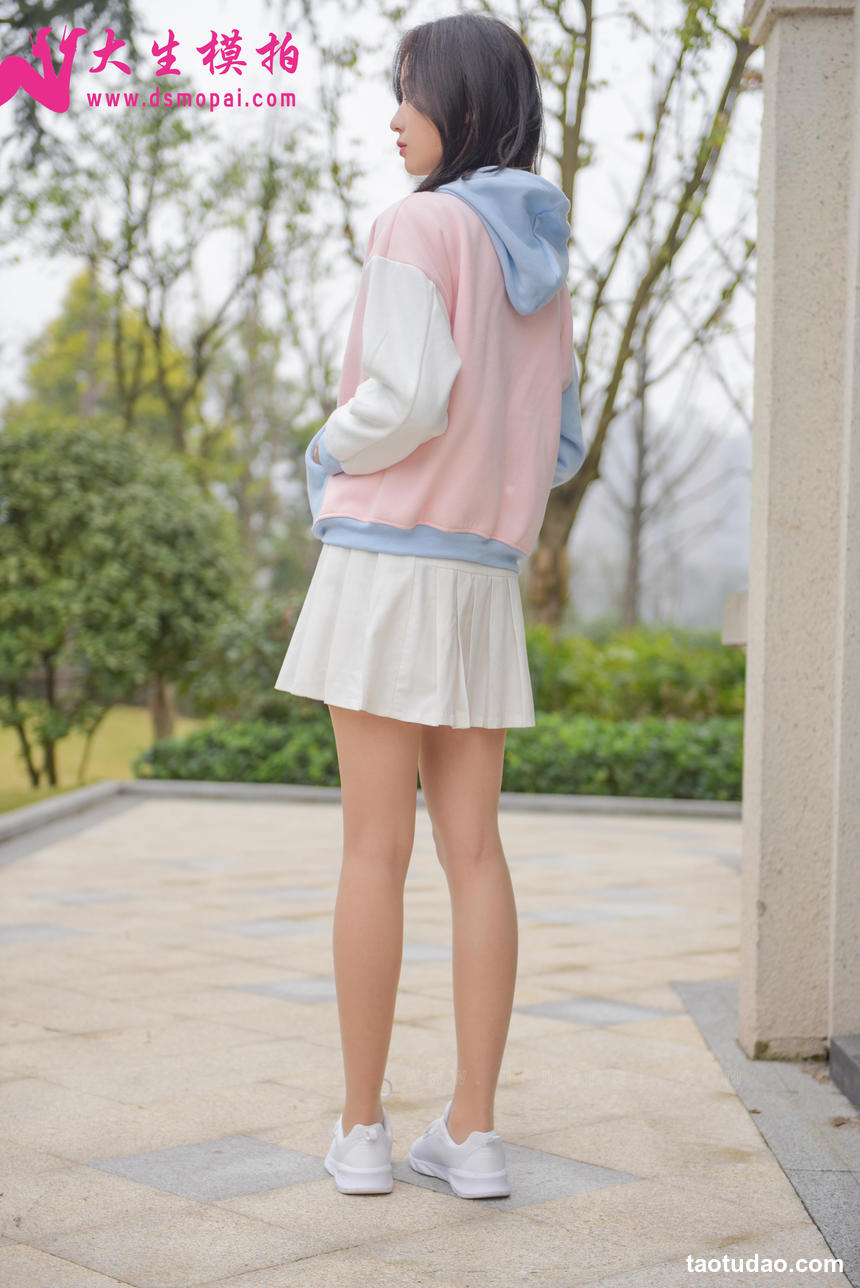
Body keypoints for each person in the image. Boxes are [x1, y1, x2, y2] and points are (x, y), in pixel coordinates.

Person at [273, 11, 585, 1199]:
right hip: (480, 578)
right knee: (475, 853)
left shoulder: (417, 223)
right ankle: (474, 1134)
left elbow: (402, 399)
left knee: (372, 845)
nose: (391, 118)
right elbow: (558, 443)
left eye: (406, 93)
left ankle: (361, 1131)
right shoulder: (539, 256)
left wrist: (324, 447)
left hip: (387, 561)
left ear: (455, 101)